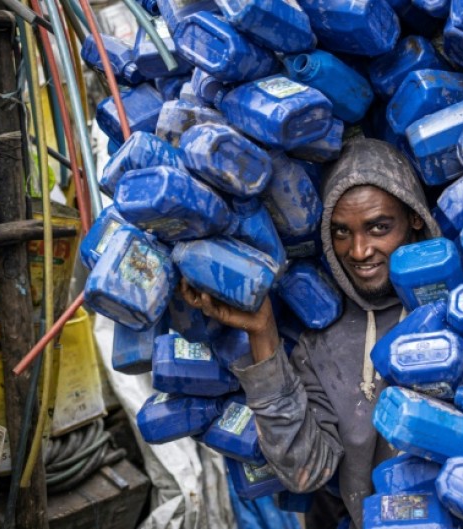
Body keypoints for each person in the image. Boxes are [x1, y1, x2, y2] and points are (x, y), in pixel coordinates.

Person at [181, 138, 443, 528]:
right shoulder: (320, 343)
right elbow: (306, 470)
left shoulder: (457, 308)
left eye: (378, 228)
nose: (359, 250)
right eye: (341, 232)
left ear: (415, 218)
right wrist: (263, 334)